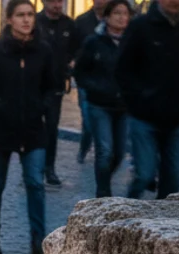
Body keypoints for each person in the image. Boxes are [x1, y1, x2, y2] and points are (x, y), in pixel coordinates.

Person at [0, 0, 53, 254]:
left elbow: (52, 86)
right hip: (1, 129)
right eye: (20, 15)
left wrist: (42, 106)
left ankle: (38, 239)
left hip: (33, 129)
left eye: (30, 15)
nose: (27, 20)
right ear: (9, 19)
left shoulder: (43, 51)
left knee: (34, 183)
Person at [116, 0, 179, 199]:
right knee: (144, 175)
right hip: (144, 117)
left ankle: (160, 225)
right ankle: (127, 214)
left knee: (173, 180)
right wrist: (137, 101)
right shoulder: (141, 26)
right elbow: (123, 69)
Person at [74, 0, 131, 197]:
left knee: (119, 153)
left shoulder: (132, 42)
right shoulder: (94, 42)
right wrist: (94, 88)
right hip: (99, 104)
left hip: (123, 105)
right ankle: (103, 192)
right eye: (117, 13)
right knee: (104, 150)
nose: (122, 18)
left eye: (125, 14)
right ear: (107, 17)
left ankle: (104, 181)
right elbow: (80, 72)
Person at [35, 0, 80, 188]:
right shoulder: (35, 22)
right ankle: (32, 168)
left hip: (56, 85)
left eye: (60, 1)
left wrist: (72, 63)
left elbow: (77, 49)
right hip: (34, 84)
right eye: (53, 1)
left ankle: (49, 168)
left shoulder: (69, 24)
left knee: (52, 128)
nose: (57, 5)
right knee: (34, 127)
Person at [73, 0, 108, 164]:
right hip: (87, 79)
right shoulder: (82, 21)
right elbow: (73, 47)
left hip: (109, 79)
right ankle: (84, 147)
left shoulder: (115, 19)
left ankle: (104, 152)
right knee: (89, 119)